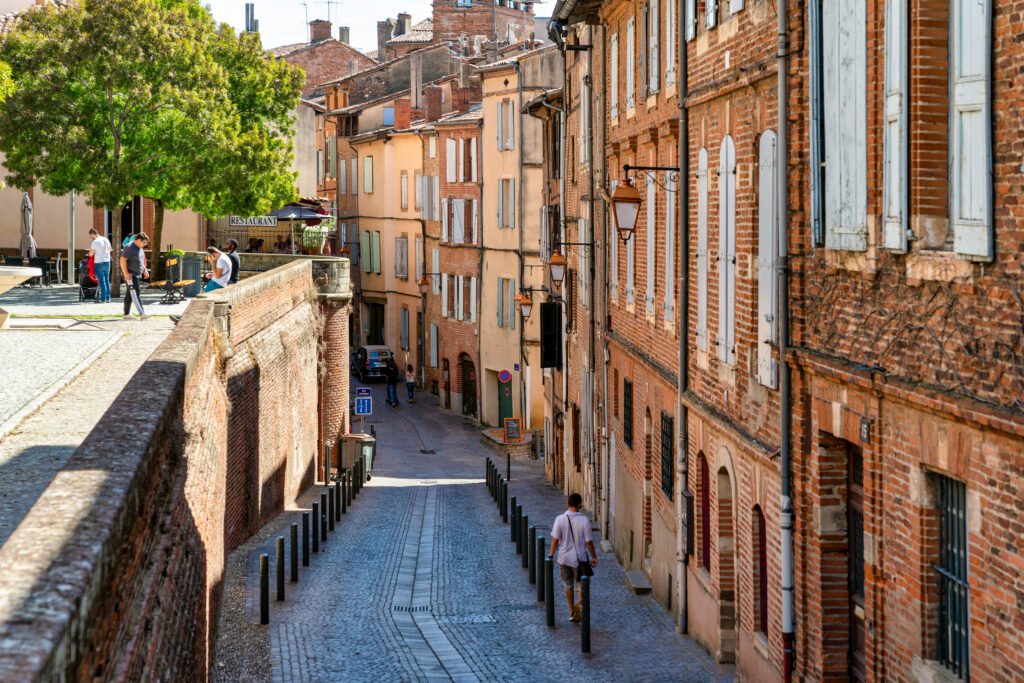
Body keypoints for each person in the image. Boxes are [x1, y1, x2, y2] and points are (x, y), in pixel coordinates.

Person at [548, 493, 598, 623]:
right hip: (580, 559)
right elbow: (588, 542)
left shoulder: (559, 519)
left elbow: (554, 540)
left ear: (567, 504)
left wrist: (550, 556)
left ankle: (571, 611)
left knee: (568, 585)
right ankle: (580, 608)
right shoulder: (584, 520)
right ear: (579, 505)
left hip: (563, 559)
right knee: (581, 585)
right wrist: (594, 557)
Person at [120, 233, 151, 320]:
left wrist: (145, 270)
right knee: (136, 293)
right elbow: (122, 260)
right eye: (144, 242)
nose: (145, 245)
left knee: (129, 294)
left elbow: (140, 260)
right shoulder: (129, 247)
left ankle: (126, 314)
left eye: (146, 243)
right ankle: (142, 313)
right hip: (130, 275)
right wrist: (126, 274)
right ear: (138, 240)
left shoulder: (139, 248)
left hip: (137, 274)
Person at [87, 228, 112, 302]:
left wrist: (92, 252)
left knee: (101, 281)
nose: (91, 237)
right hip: (107, 261)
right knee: (107, 280)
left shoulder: (95, 241)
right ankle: (108, 298)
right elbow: (110, 249)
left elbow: (91, 254)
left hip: (99, 262)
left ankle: (103, 299)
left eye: (91, 236)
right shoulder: (106, 239)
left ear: (92, 234)